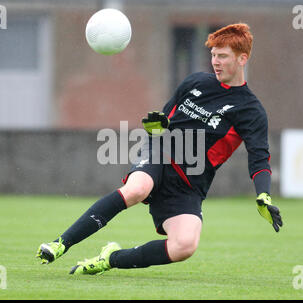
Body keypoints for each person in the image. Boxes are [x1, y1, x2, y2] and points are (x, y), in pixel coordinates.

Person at [36, 23, 283, 275]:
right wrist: (155, 127)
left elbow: (260, 157)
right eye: (213, 55)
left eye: (222, 56)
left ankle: (110, 258)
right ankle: (60, 244)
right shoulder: (195, 82)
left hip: (190, 182)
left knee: (184, 246)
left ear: (243, 58)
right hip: (161, 152)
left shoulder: (251, 111)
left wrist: (263, 194)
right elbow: (162, 122)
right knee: (137, 189)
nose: (215, 61)